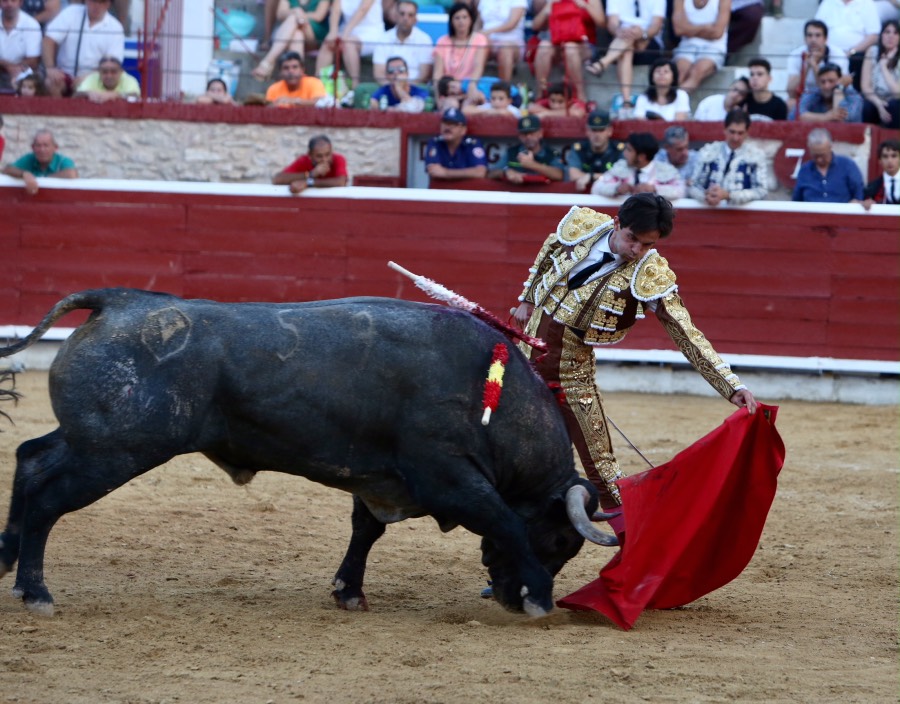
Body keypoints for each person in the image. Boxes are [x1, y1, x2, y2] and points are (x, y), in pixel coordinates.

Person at [512, 195, 757, 533]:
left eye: (647, 244)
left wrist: (732, 386)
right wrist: (526, 299)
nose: (637, 250)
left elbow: (686, 333)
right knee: (514, 464)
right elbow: (551, 250)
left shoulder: (650, 274)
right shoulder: (581, 228)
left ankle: (634, 561)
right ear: (617, 223)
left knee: (603, 471)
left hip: (573, 378)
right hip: (522, 370)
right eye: (632, 239)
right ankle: (509, 565)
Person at [584, 0, 666, 112]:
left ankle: (603, 63)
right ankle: (626, 101)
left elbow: (656, 25)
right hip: (622, 39)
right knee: (627, 47)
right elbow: (612, 23)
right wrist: (619, 31)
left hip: (648, 40)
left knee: (627, 42)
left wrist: (643, 34)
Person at [42, 0, 125, 97]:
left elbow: (112, 63)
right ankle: (58, 111)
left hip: (95, 77)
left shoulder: (116, 27)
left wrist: (89, 77)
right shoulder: (71, 12)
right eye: (93, 2)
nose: (96, 6)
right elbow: (48, 40)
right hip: (64, 74)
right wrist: (50, 68)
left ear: (108, 4)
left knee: (88, 89)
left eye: (101, 2)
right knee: (50, 83)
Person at [689, 109, 769, 206]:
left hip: (741, 215)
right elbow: (693, 185)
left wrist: (729, 195)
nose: (735, 138)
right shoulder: (708, 151)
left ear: (747, 133)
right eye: (732, 132)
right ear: (725, 130)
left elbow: (761, 191)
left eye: (740, 133)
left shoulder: (756, 155)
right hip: (708, 211)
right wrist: (706, 195)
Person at [530, 0, 605, 102]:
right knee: (544, 46)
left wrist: (586, 6)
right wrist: (548, 7)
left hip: (584, 45)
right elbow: (535, 26)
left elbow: (602, 23)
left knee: (570, 48)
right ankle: (540, 94)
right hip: (557, 42)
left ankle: (580, 96)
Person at [251, 0, 332, 81]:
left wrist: (299, 14)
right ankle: (298, 77)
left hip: (315, 33)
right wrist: (295, 11)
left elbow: (318, 16)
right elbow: (280, 14)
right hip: (293, 31)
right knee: (297, 35)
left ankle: (268, 61)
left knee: (293, 18)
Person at [592, 131, 685, 200]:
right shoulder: (621, 167)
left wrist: (655, 189)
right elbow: (596, 188)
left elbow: (681, 191)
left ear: (641, 157)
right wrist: (616, 188)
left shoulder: (665, 170)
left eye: (629, 150)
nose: (624, 153)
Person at [317, 0, 385, 91]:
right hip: (347, 30)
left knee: (348, 43)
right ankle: (317, 85)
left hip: (371, 32)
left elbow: (363, 9)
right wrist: (333, 31)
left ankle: (354, 87)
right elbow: (335, 10)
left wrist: (345, 33)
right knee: (328, 43)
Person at [786, 20, 850, 113]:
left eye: (817, 35)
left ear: (825, 39)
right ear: (805, 38)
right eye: (810, 35)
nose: (813, 40)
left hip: (830, 97)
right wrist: (806, 67)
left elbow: (831, 88)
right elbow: (790, 92)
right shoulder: (795, 55)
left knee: (838, 98)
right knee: (790, 103)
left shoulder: (838, 55)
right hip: (807, 97)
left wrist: (815, 67)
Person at [815, 0, 881, 90]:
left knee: (859, 59)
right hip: (829, 52)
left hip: (855, 53)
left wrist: (852, 51)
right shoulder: (827, 3)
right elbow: (817, 29)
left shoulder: (867, 3)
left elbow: (873, 35)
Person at [432, 3, 489, 105]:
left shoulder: (479, 39)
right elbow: (437, 74)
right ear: (451, 21)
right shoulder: (442, 41)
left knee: (470, 105)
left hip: (469, 88)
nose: (461, 21)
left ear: (471, 20)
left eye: (464, 17)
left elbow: (478, 66)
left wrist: (471, 85)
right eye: (457, 18)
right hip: (449, 90)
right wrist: (438, 98)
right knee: (451, 104)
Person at [671, 0, 730, 95]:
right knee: (679, 73)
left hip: (714, 47)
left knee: (696, 72)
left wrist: (689, 29)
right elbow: (678, 30)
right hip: (687, 46)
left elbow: (717, 33)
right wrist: (705, 28)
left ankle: (675, 102)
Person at [792, 128, 865, 204]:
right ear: (810, 150)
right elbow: (796, 202)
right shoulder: (805, 170)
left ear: (830, 147)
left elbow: (859, 195)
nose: (819, 160)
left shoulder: (847, 166)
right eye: (815, 156)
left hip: (841, 214)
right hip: (811, 214)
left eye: (823, 155)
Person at [372, 0, 433, 83]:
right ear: (395, 16)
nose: (405, 18)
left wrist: (406, 90)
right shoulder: (383, 38)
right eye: (402, 14)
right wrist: (393, 89)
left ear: (415, 19)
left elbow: (424, 75)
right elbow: (379, 73)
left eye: (410, 15)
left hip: (414, 89)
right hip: (388, 89)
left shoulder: (424, 40)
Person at [2, 128, 78, 195]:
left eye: (46, 145)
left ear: (55, 148)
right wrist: (24, 174)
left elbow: (71, 174)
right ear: (33, 147)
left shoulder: (62, 161)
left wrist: (41, 180)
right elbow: (7, 169)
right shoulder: (30, 158)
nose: (42, 150)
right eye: (38, 145)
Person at [493, 115, 565, 184]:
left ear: (540, 133)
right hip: (517, 193)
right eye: (524, 134)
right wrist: (506, 172)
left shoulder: (551, 153)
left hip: (542, 195)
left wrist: (533, 165)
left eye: (532, 133)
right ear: (519, 135)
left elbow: (560, 175)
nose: (528, 137)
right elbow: (490, 173)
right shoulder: (512, 152)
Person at [566, 108, 625, 192]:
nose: (597, 135)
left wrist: (590, 177)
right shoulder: (579, 149)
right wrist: (599, 177)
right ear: (587, 131)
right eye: (594, 130)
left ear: (609, 131)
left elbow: (622, 177)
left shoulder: (619, 149)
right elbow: (574, 175)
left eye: (601, 130)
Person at [424, 107, 488, 181]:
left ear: (463, 130)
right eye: (445, 122)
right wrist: (467, 173)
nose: (448, 127)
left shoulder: (472, 143)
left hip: (466, 190)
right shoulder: (435, 142)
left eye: (453, 124)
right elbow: (433, 171)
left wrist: (446, 173)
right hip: (441, 191)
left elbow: (480, 172)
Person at [273, 134, 349, 193]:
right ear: (310, 155)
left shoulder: (338, 159)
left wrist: (308, 183)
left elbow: (341, 182)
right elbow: (277, 179)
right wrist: (311, 174)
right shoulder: (304, 160)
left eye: (327, 154)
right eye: (319, 156)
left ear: (331, 151)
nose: (324, 160)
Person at [861, 20, 900, 127]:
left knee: (894, 105)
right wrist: (879, 104)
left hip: (895, 101)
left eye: (895, 33)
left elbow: (897, 93)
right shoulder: (872, 51)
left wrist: (883, 66)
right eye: (887, 32)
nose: (891, 36)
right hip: (875, 98)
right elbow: (865, 87)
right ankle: (868, 140)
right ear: (881, 35)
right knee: (867, 106)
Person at [478, 0, 527, 84]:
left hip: (512, 41)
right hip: (488, 41)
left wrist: (488, 32)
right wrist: (474, 36)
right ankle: (471, 85)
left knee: (505, 48)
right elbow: (478, 23)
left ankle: (504, 89)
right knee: (477, 44)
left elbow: (512, 24)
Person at [797, 63, 864, 122]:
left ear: (840, 80)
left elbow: (845, 119)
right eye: (823, 82)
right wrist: (825, 117)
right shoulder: (815, 93)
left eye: (831, 81)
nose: (826, 86)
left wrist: (839, 89)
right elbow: (796, 114)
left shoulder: (854, 96)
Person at [0, 0, 41, 94]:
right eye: (5, 1)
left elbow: (33, 60)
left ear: (20, 2)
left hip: (22, 71)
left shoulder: (31, 24)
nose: (9, 4)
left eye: (13, 1)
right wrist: (7, 66)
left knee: (32, 81)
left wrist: (13, 68)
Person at [73, 55, 139, 102]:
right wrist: (88, 93)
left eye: (113, 71)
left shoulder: (129, 80)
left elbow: (136, 97)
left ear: (121, 72)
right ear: (98, 72)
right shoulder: (93, 78)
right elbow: (76, 95)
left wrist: (116, 95)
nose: (109, 76)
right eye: (104, 72)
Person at [863, 138, 900, 205]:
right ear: (880, 161)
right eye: (885, 157)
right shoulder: (872, 187)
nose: (889, 161)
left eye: (894, 156)